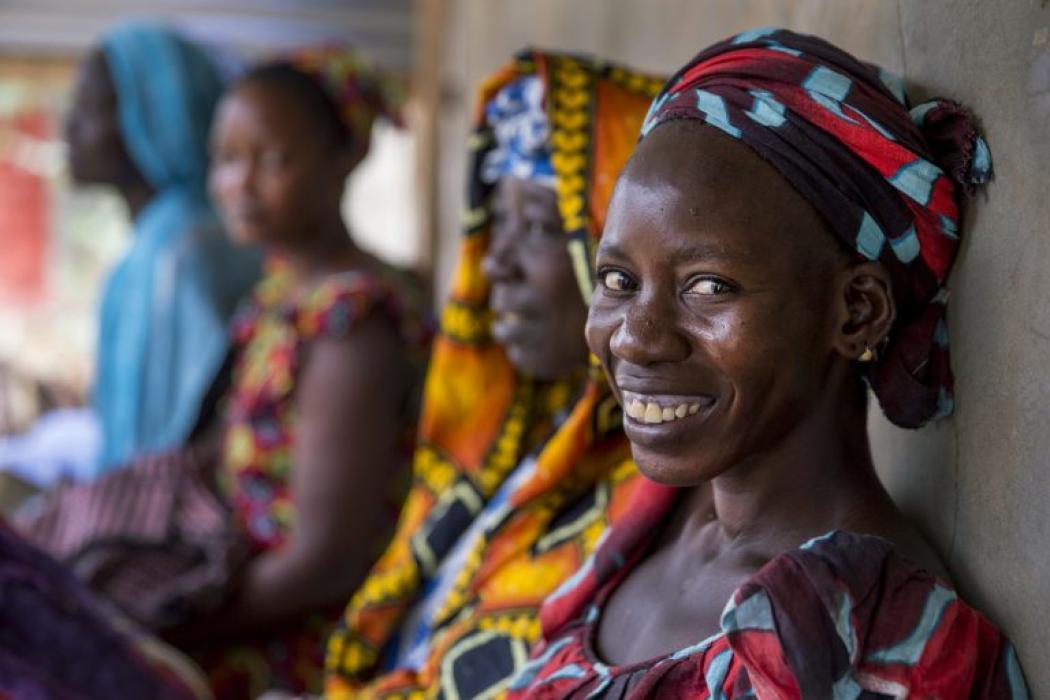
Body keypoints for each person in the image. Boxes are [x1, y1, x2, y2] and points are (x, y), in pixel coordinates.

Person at [506, 29, 1028, 698]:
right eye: (618, 279)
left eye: (708, 286)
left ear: (856, 313)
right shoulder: (660, 519)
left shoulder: (868, 642)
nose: (635, 339)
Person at [18, 47, 429, 699]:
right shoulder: (277, 296)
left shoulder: (352, 322)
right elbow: (230, 454)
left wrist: (167, 624)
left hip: (299, 638)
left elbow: (325, 564)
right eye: (227, 158)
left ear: (342, 159)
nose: (240, 182)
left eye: (272, 159)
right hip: (238, 588)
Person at [323, 50, 666, 699]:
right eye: (496, 220)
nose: (494, 263)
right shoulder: (522, 444)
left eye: (538, 225)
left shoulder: (655, 497)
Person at [73, 23, 260, 473]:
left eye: (90, 109)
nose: (69, 127)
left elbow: (161, 458)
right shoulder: (160, 241)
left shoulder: (182, 253)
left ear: (156, 117)